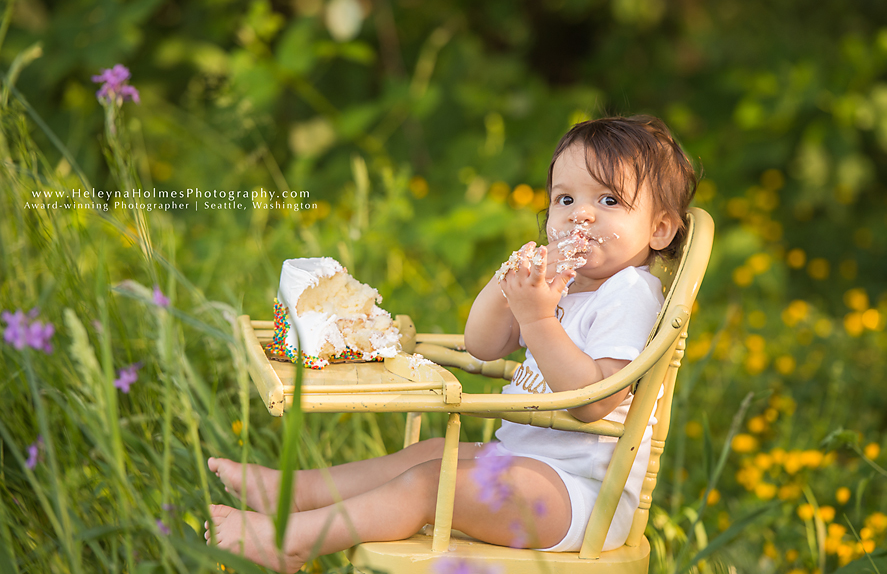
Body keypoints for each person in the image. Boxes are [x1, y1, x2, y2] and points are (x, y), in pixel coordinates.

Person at [205, 114, 699, 573]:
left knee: (430, 486)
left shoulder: (629, 293)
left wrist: (537, 317)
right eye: (565, 200)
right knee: (433, 453)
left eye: (608, 201)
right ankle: (300, 493)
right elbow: (482, 345)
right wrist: (505, 286)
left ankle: (291, 539)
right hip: (522, 461)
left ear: (659, 229)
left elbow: (598, 400)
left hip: (579, 495)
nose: (580, 217)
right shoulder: (563, 283)